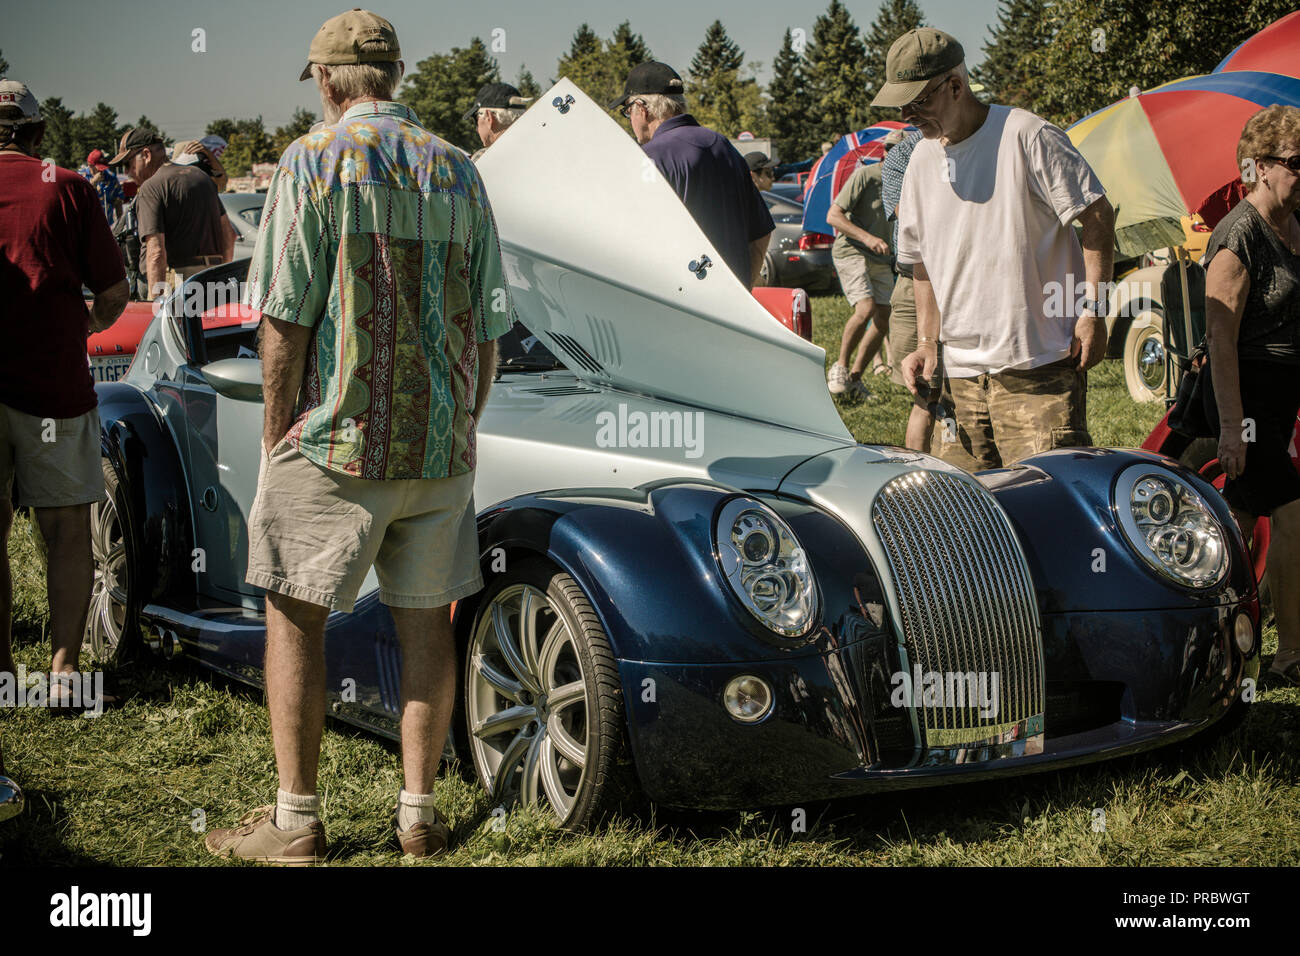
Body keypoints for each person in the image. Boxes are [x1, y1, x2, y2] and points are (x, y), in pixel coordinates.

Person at [203, 8, 513, 865]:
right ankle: (419, 815)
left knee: (294, 618)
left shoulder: (313, 161)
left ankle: (296, 820)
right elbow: (489, 329)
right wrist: (465, 424)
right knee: (427, 627)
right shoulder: (459, 170)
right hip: (439, 449)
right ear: (395, 78)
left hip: (336, 441)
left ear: (330, 81)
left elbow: (285, 321)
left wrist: (275, 438)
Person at [883, 28, 1115, 471]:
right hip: (959, 380)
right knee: (966, 522)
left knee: (1046, 512)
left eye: (919, 101)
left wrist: (1093, 312)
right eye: (902, 105)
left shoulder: (1028, 135)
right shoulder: (918, 161)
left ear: (955, 86)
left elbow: (1099, 217)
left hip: (1037, 369)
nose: (909, 115)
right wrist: (928, 346)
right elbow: (921, 265)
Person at [0, 80, 129, 722]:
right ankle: (62, 672)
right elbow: (113, 292)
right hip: (54, 389)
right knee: (67, 535)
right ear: (35, 133)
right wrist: (75, 327)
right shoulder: (70, 187)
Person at [1203, 104, 1300, 687]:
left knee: (1239, 525)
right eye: (1296, 163)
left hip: (1282, 397)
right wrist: (1233, 426)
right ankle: (1284, 653)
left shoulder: (1296, 223)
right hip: (1249, 395)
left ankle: (1231, 639)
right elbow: (1220, 337)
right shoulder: (1238, 233)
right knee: (1286, 515)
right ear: (1262, 166)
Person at [611, 61, 774, 288]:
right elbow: (761, 234)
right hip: (729, 305)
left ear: (642, 108)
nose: (630, 119)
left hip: (680, 302)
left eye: (628, 111)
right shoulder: (722, 145)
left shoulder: (651, 157)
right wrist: (744, 289)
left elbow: (634, 241)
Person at [107, 126, 235, 299]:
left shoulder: (151, 187)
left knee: (174, 327)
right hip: (212, 280)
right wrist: (220, 273)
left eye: (127, 164)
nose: (126, 172)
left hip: (177, 285)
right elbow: (229, 234)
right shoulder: (201, 177)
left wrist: (156, 305)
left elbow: (156, 252)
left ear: (146, 155)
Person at [826, 138, 898, 402]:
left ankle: (855, 379)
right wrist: (868, 238)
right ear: (885, 154)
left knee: (884, 316)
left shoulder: (906, 185)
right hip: (852, 250)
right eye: (895, 152)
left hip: (881, 258)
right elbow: (833, 216)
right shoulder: (865, 176)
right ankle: (841, 367)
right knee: (866, 308)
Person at [881, 128, 934, 451]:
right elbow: (909, 216)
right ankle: (922, 481)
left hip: (969, 281)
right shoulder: (902, 156)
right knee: (924, 394)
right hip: (914, 281)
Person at [465, 82, 531, 160]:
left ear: (489, 117)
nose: (476, 129)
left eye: (476, 119)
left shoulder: (482, 158)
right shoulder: (538, 147)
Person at [77, 148, 125, 227]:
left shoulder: (111, 178)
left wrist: (120, 225)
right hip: (86, 227)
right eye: (98, 168)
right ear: (90, 165)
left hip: (107, 227)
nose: (101, 171)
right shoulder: (80, 177)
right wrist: (93, 182)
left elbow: (118, 202)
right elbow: (78, 200)